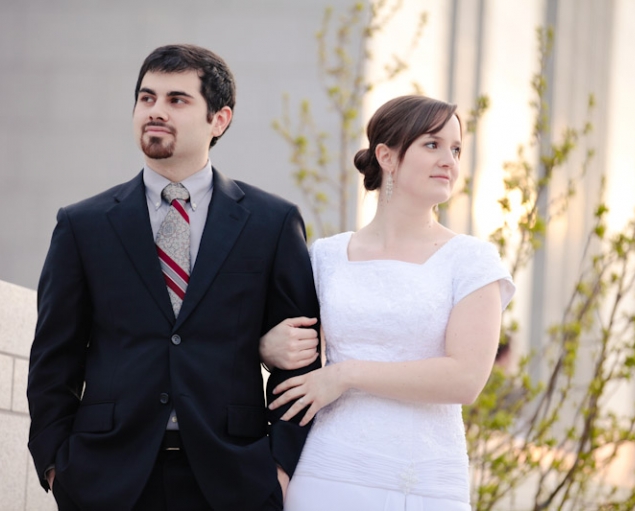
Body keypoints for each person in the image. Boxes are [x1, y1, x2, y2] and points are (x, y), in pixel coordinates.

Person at [27, 44, 320, 511]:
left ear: (219, 119)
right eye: (147, 98)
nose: (156, 112)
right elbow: (52, 359)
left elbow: (302, 364)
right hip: (105, 479)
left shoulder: (272, 222)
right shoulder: (83, 225)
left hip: (233, 480)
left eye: (176, 100)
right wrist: (56, 466)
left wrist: (278, 469)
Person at [260, 95, 516, 510]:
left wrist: (346, 374)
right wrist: (265, 346)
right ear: (387, 156)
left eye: (456, 149)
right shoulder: (325, 255)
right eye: (432, 144)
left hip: (422, 480)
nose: (449, 159)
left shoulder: (471, 259)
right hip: (325, 471)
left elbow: (465, 379)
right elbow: (285, 345)